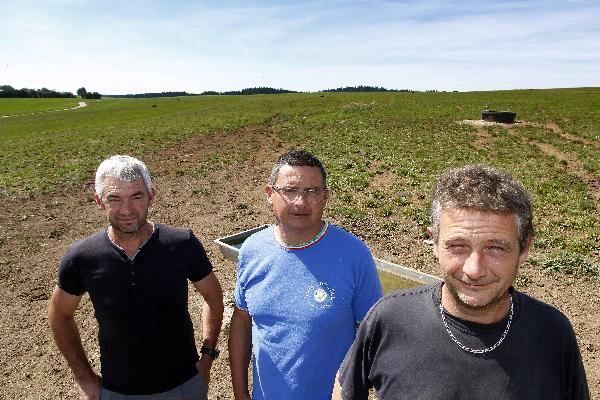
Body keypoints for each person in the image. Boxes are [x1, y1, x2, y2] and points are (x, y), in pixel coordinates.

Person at [332, 164, 590, 399]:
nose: (474, 270)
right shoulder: (389, 319)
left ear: (524, 249)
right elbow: (345, 390)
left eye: (496, 248)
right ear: (434, 242)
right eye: (458, 246)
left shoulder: (553, 333)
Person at [48, 155, 224, 400]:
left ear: (151, 195)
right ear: (99, 201)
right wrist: (84, 377)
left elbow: (213, 296)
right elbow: (59, 314)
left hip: (184, 387)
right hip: (117, 392)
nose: (127, 210)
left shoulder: (182, 243)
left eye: (136, 196)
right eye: (114, 199)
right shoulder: (82, 257)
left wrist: (207, 357)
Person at [228, 149, 383, 400]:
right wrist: (240, 392)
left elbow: (373, 337)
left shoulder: (354, 254)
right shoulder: (252, 250)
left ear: (325, 197)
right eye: (289, 191)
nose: (300, 202)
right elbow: (242, 324)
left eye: (312, 192)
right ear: (270, 194)